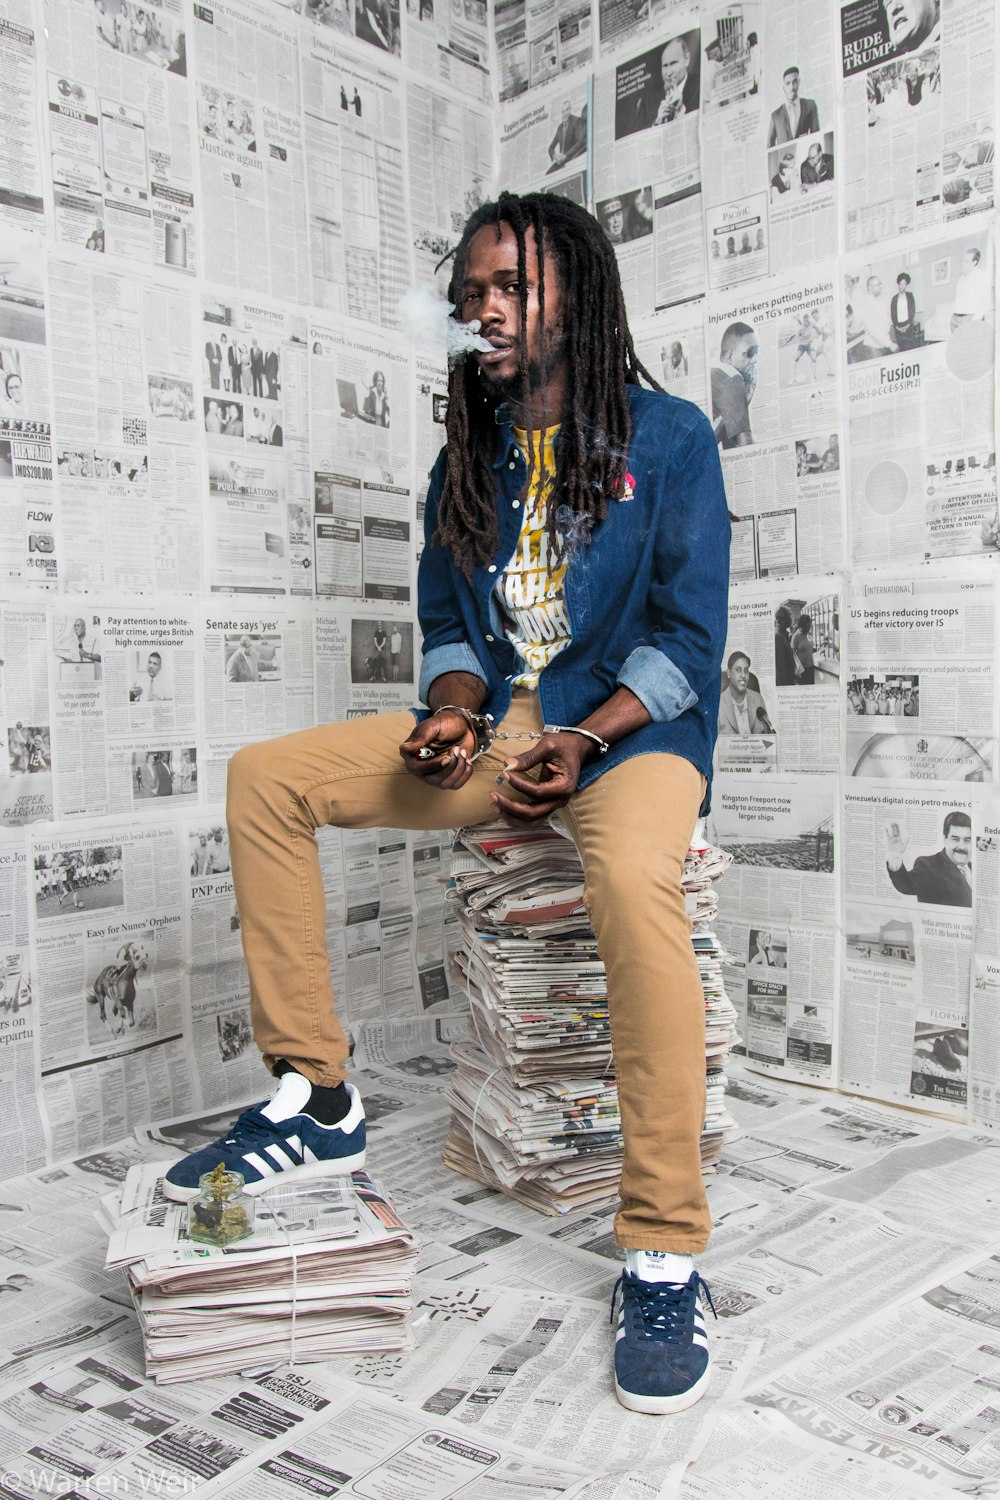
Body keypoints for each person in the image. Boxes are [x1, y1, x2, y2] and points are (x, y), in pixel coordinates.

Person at [161, 189, 731, 1419]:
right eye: (471, 292)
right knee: (267, 778)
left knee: (632, 879)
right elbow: (448, 629)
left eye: (511, 288)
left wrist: (582, 735)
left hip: (631, 735)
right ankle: (316, 1099)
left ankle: (663, 1244)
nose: (485, 310)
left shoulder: (669, 436)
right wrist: (458, 715)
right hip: (511, 731)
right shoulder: (460, 459)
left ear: (576, 294)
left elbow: (688, 640)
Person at [884, 811, 972, 906]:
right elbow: (906, 885)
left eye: (967, 840)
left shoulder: (976, 870)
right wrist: (895, 855)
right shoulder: (929, 866)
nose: (962, 846)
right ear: (945, 839)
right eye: (955, 839)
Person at [711, 323, 757, 449]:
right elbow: (747, 446)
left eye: (756, 351)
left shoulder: (714, 371)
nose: (754, 359)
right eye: (750, 353)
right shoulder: (733, 378)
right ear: (729, 356)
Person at [718, 652, 771, 734]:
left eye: (746, 670)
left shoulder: (758, 699)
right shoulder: (719, 703)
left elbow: (766, 734)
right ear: (729, 673)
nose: (743, 675)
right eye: (738, 670)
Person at [767, 68, 819, 147]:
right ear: (783, 87)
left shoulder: (810, 105)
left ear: (799, 82)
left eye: (794, 82)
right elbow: (769, 147)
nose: (791, 87)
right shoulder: (775, 116)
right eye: (788, 83)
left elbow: (816, 136)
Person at [950, 247, 990, 330]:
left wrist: (974, 320)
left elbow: (985, 301)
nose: (963, 264)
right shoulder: (961, 278)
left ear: (974, 262)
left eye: (966, 261)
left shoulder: (982, 276)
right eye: (963, 261)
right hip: (955, 318)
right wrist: (953, 318)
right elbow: (958, 298)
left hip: (970, 318)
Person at [547, 99, 585, 171]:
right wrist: (555, 156)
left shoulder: (577, 121)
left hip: (572, 157)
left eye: (567, 110)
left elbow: (580, 142)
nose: (565, 113)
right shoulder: (560, 128)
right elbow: (551, 147)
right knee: (548, 174)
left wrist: (565, 156)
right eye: (563, 112)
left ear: (570, 109)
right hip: (561, 161)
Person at [890, 272, 921, 350]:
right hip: (898, 328)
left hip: (908, 326)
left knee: (911, 347)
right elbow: (893, 314)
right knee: (902, 348)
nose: (901, 286)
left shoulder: (910, 296)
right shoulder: (894, 298)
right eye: (900, 284)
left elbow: (912, 311)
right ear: (898, 284)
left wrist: (907, 325)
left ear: (906, 285)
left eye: (904, 284)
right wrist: (897, 327)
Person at [774, 606, 798, 685]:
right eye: (789, 615)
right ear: (782, 619)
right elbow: (781, 668)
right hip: (785, 683)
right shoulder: (777, 637)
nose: (791, 618)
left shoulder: (783, 635)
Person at [790, 614, 814, 684]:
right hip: (802, 670)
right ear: (802, 625)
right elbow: (792, 655)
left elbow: (809, 648)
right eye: (808, 625)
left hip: (810, 667)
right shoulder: (796, 636)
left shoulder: (808, 634)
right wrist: (797, 671)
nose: (809, 627)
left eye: (810, 625)